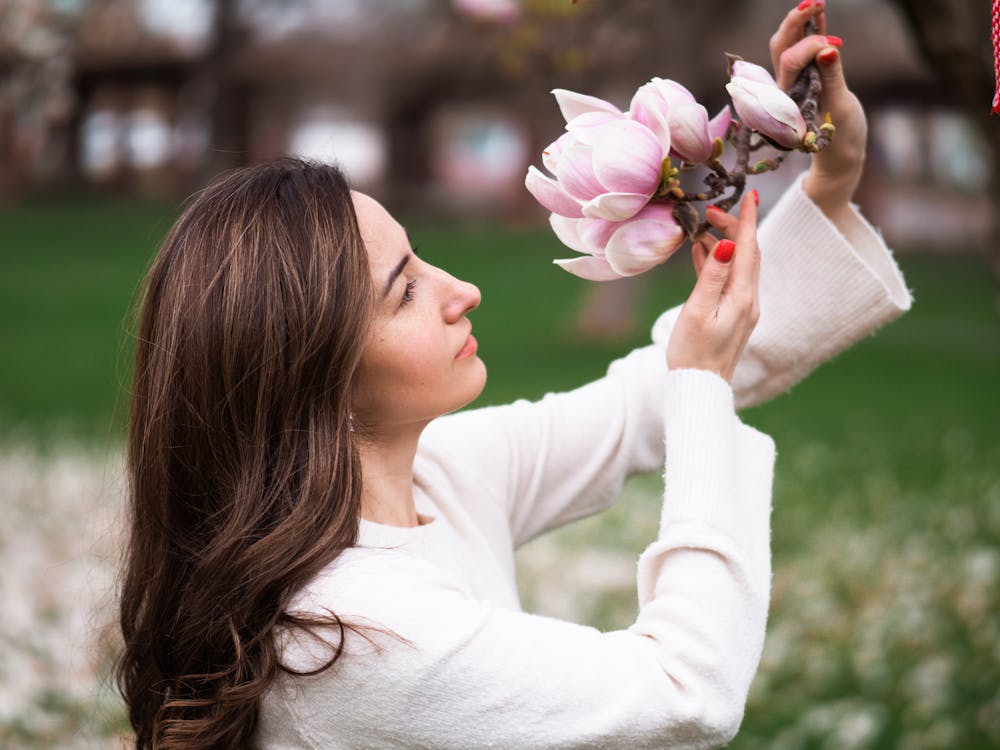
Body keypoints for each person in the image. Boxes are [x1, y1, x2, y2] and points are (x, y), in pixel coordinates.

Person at [115, 3, 912, 748]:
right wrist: (700, 382)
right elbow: (685, 689)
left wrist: (827, 178)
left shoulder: (432, 479)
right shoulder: (348, 634)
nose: (463, 290)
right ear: (314, 373)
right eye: (406, 290)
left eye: (421, 258)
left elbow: (642, 404)